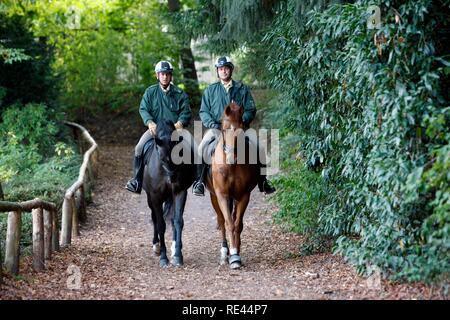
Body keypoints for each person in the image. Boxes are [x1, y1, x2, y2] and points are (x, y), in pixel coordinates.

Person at [192, 56, 276, 196]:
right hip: (216, 128)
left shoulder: (242, 89)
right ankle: (199, 182)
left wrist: (241, 122)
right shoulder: (210, 90)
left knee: (258, 146)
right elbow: (204, 111)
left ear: (231, 70)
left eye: (226, 68)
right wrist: (212, 123)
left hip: (239, 129)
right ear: (217, 71)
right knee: (202, 147)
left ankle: (263, 181)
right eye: (221, 69)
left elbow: (250, 109)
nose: (223, 71)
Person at [125, 60, 192, 194]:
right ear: (157, 75)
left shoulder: (179, 93)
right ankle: (136, 180)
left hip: (175, 131)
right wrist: (149, 122)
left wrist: (181, 122)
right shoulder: (150, 92)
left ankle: (196, 180)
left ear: (171, 75)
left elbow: (186, 111)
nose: (165, 76)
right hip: (156, 131)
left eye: (167, 74)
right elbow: (143, 109)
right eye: (162, 74)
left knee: (193, 146)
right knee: (139, 147)